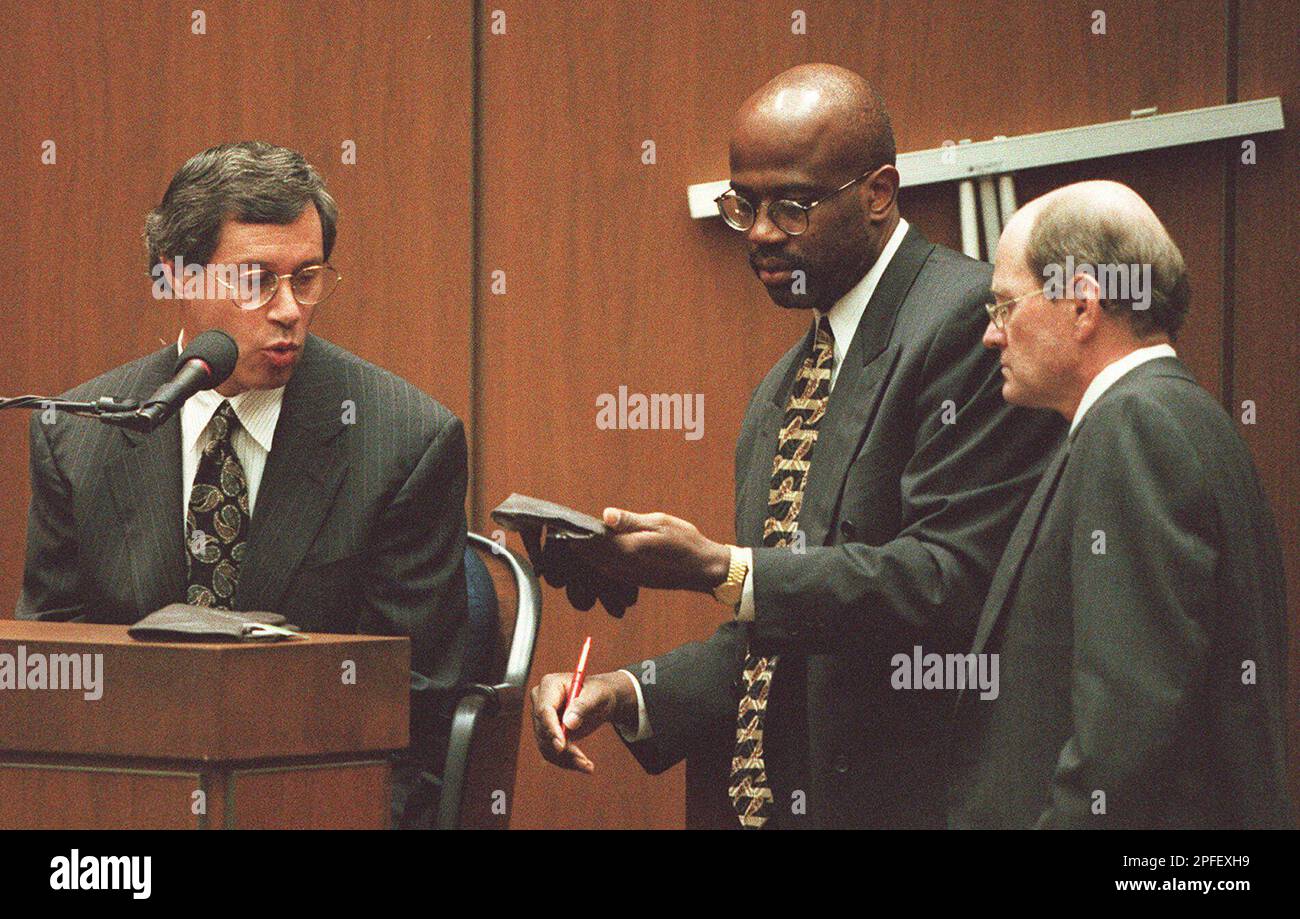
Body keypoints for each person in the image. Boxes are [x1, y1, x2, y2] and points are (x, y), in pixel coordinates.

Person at [528, 64, 1065, 829]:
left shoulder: (964, 324)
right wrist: (628, 689)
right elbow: (784, 636)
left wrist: (721, 567)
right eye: (742, 204)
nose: (760, 233)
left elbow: (951, 584)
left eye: (791, 205)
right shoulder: (786, 386)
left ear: (879, 192)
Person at [17, 141, 470, 829]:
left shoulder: (404, 442)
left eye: (307, 277)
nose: (288, 309)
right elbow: (51, 687)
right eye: (254, 279)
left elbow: (415, 720)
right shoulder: (77, 435)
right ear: (173, 277)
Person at [948, 180, 1291, 828]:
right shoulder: (1183, 414)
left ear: (1082, 307)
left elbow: (1127, 728)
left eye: (1004, 307)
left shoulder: (1134, 426)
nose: (992, 336)